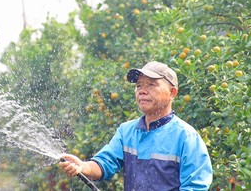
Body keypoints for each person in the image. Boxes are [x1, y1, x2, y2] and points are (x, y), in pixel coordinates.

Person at [59, 61, 212, 190]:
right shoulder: (126, 132)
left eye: (151, 85)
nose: (142, 91)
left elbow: (195, 187)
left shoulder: (186, 137)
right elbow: (105, 163)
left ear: (172, 93)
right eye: (139, 86)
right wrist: (83, 167)